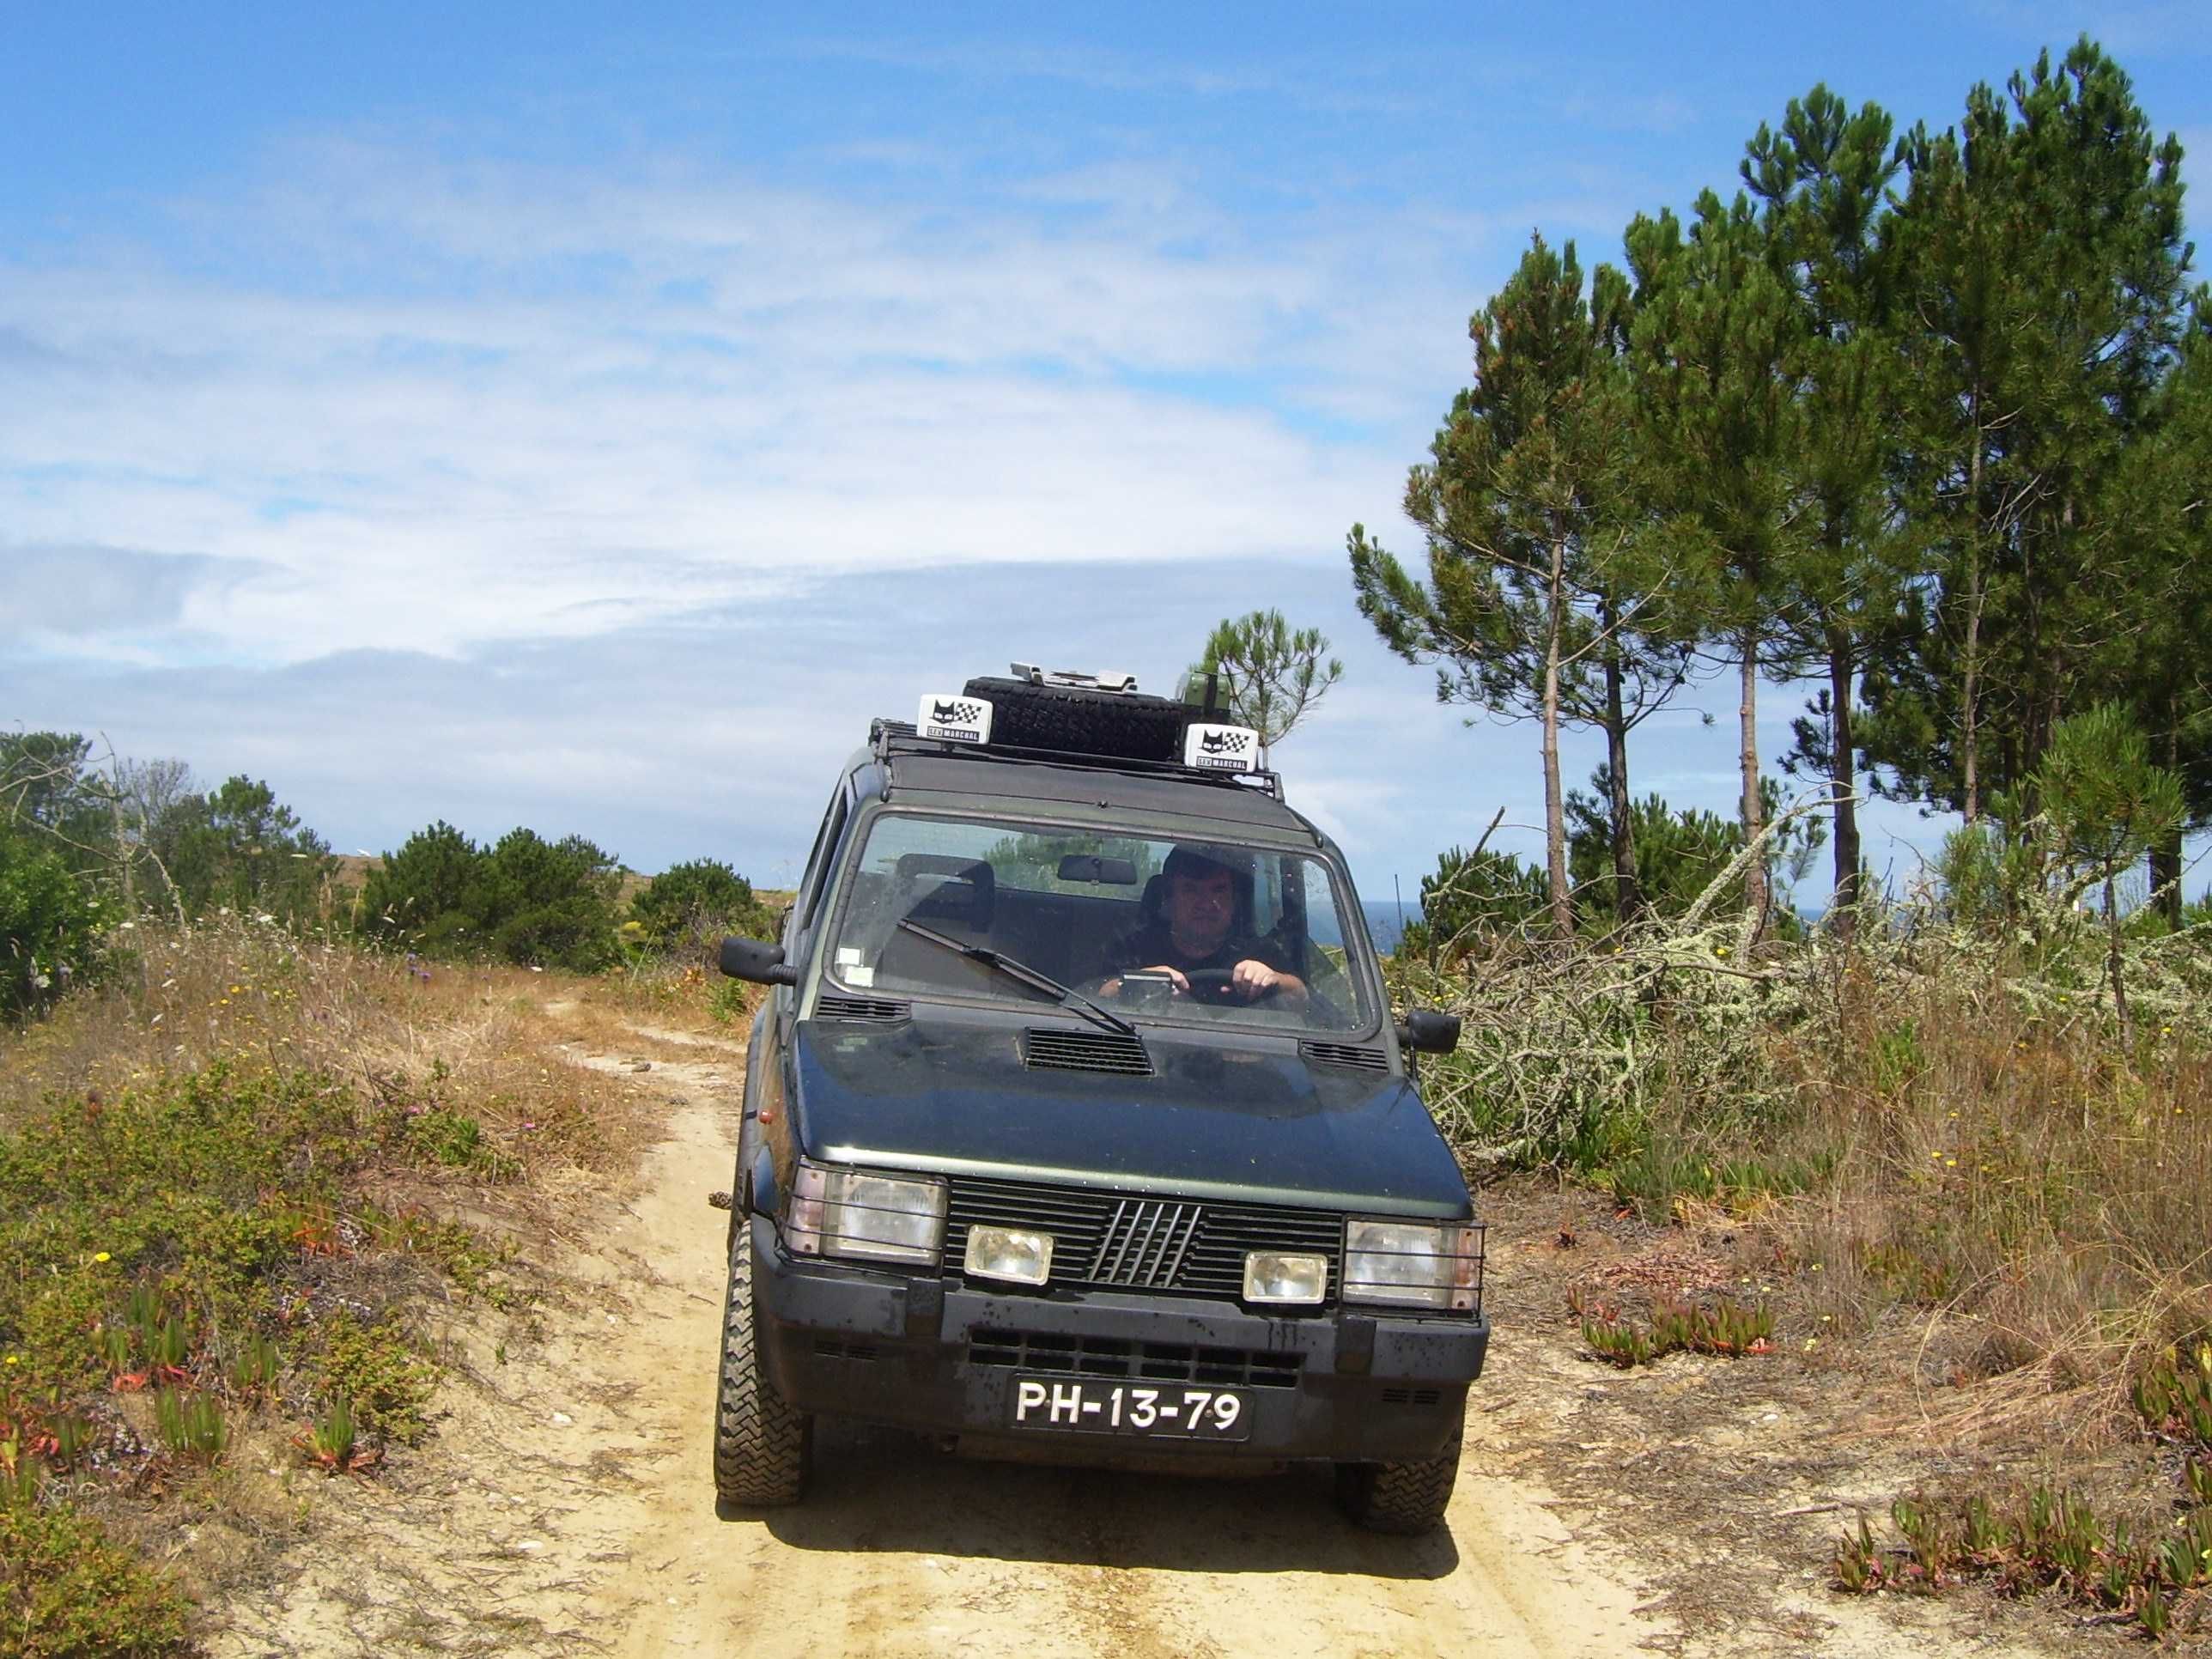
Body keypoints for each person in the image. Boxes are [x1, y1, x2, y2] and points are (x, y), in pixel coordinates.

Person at [1097, 844, 1308, 1009]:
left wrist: (1273, 979)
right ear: (1169, 899)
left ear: (1234, 901)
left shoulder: (1260, 953)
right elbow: (1097, 996)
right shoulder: (1134, 948)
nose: (1206, 904)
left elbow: (1305, 1000)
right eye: (1191, 890)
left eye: (1218, 890)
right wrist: (1143, 982)